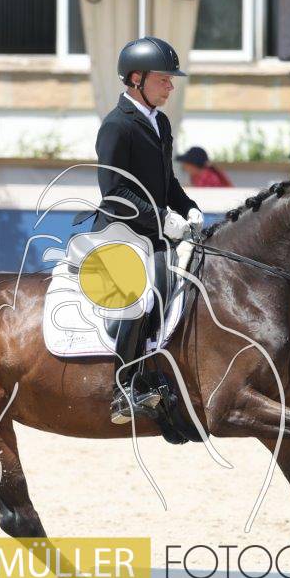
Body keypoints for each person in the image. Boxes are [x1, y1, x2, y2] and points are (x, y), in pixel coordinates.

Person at [91, 36, 203, 425]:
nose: (171, 86)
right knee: (141, 292)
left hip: (156, 230)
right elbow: (113, 192)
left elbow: (166, 181)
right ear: (136, 79)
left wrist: (187, 207)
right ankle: (123, 389)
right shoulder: (116, 126)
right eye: (163, 79)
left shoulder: (161, 122)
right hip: (121, 230)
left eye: (171, 80)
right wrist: (161, 217)